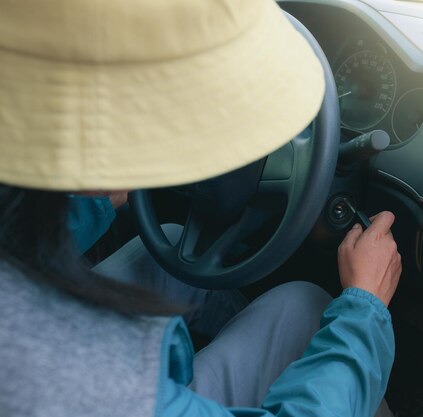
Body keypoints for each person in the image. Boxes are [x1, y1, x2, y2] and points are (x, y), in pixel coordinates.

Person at [0, 1, 402, 417]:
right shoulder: (94, 383)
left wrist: (94, 197)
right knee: (306, 306)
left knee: (172, 248)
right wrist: (362, 305)